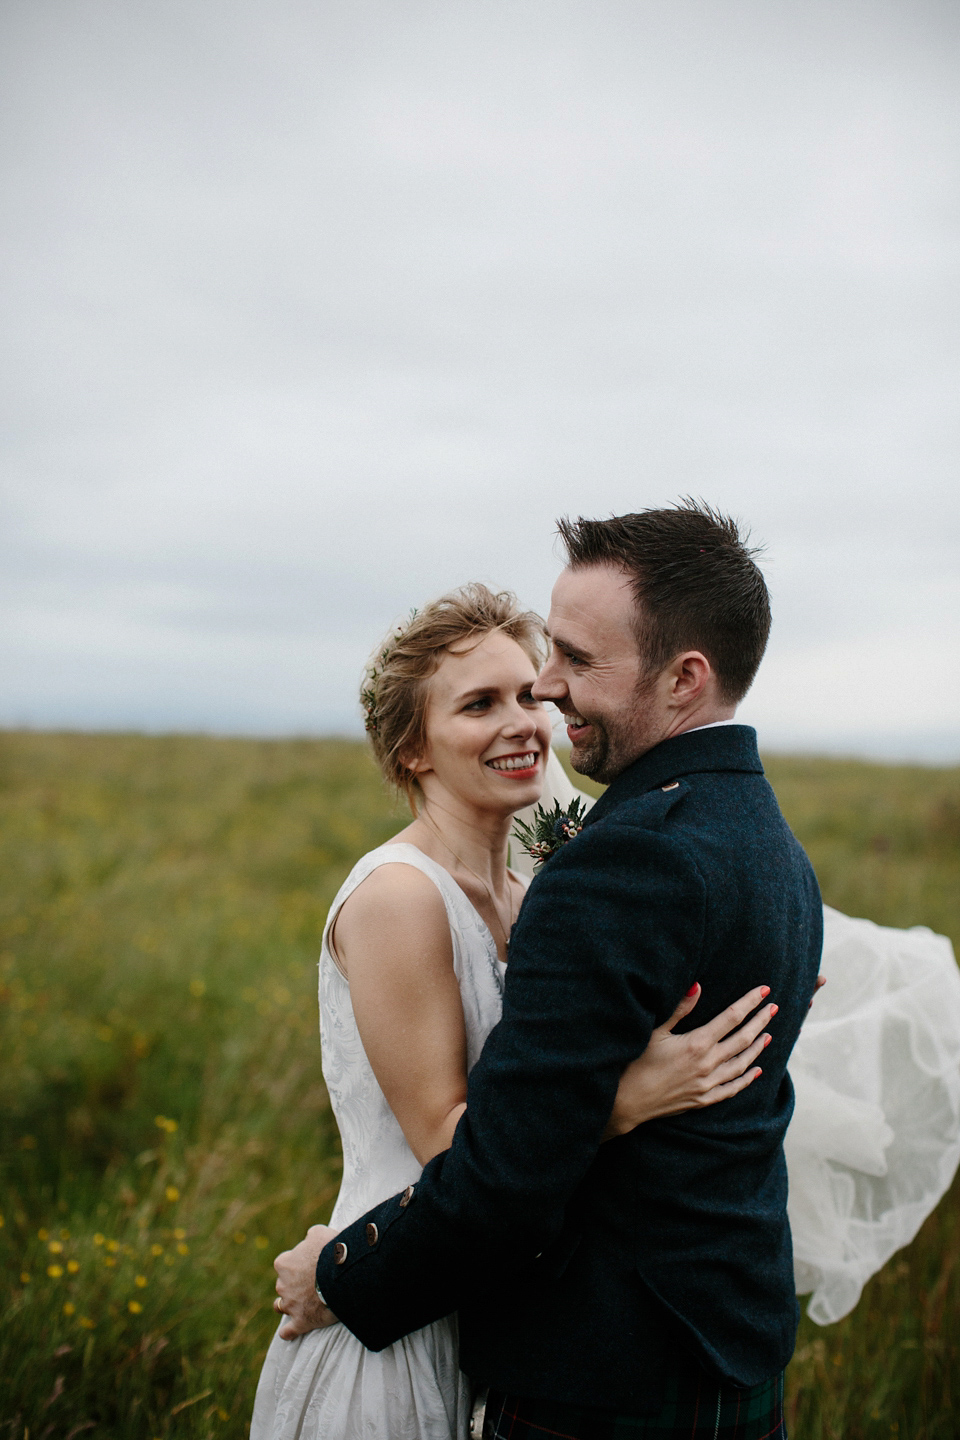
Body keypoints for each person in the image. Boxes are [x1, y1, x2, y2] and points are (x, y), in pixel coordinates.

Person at [252, 577, 777, 1440]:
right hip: (395, 1298)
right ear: (411, 750)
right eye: (479, 705)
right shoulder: (400, 899)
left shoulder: (535, 891)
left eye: (529, 694)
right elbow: (452, 1143)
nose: (523, 721)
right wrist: (628, 1096)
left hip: (500, 1296)